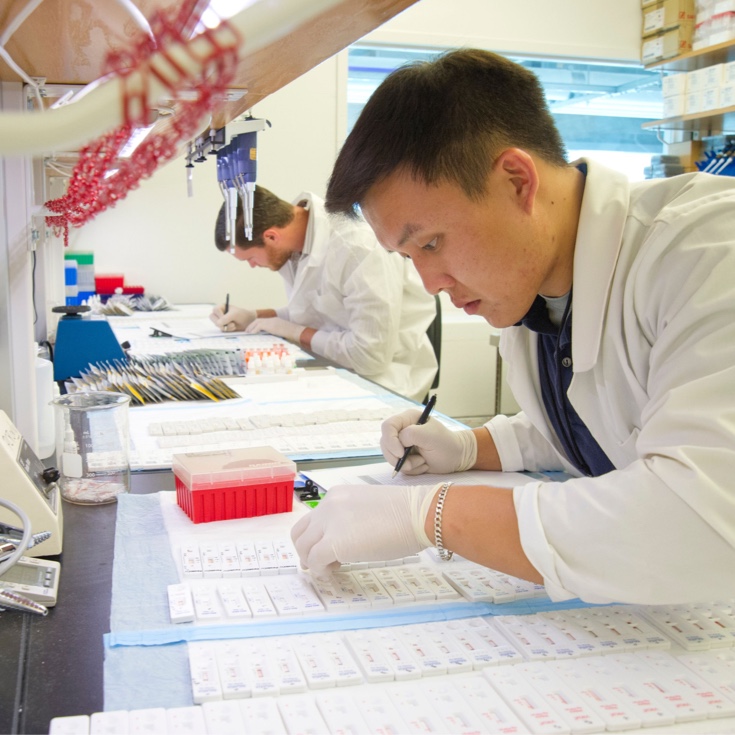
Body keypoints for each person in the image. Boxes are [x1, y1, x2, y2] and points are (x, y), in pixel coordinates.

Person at [290, 48, 735, 606]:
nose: (430, 283)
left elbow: (699, 520)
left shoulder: (709, 253)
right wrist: (469, 447)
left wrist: (434, 513)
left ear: (518, 181)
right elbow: (605, 419)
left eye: (430, 242)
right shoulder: (534, 287)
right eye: (409, 257)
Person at [210, 186, 438, 402]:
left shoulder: (357, 248)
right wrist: (253, 316)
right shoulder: (295, 243)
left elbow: (369, 356)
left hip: (384, 383)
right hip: (337, 370)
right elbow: (318, 312)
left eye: (250, 258)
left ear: (271, 237)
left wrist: (294, 331)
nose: (252, 265)